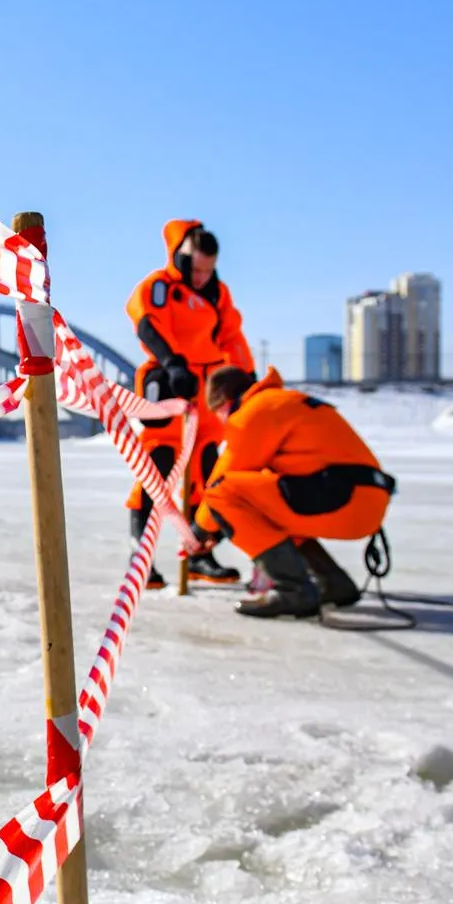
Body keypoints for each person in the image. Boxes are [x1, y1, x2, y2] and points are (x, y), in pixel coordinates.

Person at [194, 365, 397, 618]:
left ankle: (293, 589)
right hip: (363, 499)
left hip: (341, 496)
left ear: (225, 403)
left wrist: (199, 531)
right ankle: (332, 582)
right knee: (267, 501)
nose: (222, 424)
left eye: (218, 415)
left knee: (221, 493)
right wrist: (216, 529)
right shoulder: (284, 401)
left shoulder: (254, 411)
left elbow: (221, 482)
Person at [124, 219, 255, 589]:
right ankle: (140, 555)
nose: (201, 278)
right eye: (196, 270)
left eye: (208, 271)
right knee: (158, 465)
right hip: (169, 382)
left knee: (207, 468)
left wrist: (248, 380)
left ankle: (199, 554)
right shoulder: (160, 286)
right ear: (180, 257)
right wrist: (172, 363)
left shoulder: (218, 293)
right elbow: (146, 323)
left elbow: (232, 338)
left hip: (208, 387)